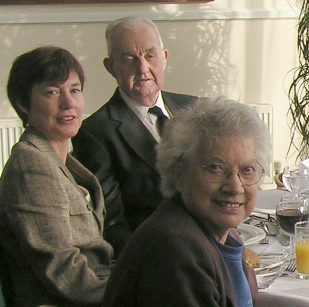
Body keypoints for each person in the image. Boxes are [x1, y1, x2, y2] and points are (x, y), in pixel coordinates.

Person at [102, 97, 271, 307]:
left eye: (247, 170)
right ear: (179, 173)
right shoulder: (177, 249)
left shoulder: (224, 234)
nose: (235, 187)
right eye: (216, 168)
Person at [72, 16, 198, 258]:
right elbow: (112, 225)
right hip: (156, 256)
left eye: (150, 55)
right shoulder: (94, 133)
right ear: (111, 67)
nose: (142, 69)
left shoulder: (193, 107)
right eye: (129, 58)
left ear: (164, 58)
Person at [0, 46, 113, 307]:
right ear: (23, 103)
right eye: (52, 92)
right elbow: (63, 271)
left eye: (74, 90)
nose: (68, 103)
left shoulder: (63, 161)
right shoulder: (32, 165)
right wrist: (130, 294)